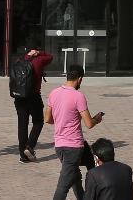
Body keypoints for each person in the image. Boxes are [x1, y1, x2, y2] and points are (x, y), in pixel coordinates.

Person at [46, 64, 104, 200]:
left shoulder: (53, 93)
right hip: (73, 147)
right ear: (80, 79)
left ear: (66, 77)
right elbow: (89, 124)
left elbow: (47, 119)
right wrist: (97, 119)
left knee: (75, 178)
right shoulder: (78, 96)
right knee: (63, 185)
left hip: (59, 146)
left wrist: (62, 121)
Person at [9, 44, 54, 163]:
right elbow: (50, 57)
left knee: (22, 125)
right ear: (36, 50)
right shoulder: (39, 60)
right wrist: (40, 53)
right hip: (33, 96)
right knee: (38, 122)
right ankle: (29, 146)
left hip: (19, 97)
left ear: (25, 50)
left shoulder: (19, 60)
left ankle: (23, 156)